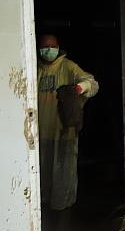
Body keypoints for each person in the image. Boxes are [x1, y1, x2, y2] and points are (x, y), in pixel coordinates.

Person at [37, 33, 99, 211]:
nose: (48, 50)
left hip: (64, 133)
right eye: (44, 46)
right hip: (40, 133)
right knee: (41, 173)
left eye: (51, 46)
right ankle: (42, 206)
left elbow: (92, 83)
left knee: (63, 174)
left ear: (58, 47)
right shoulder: (34, 68)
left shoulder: (68, 67)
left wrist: (80, 88)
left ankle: (63, 210)